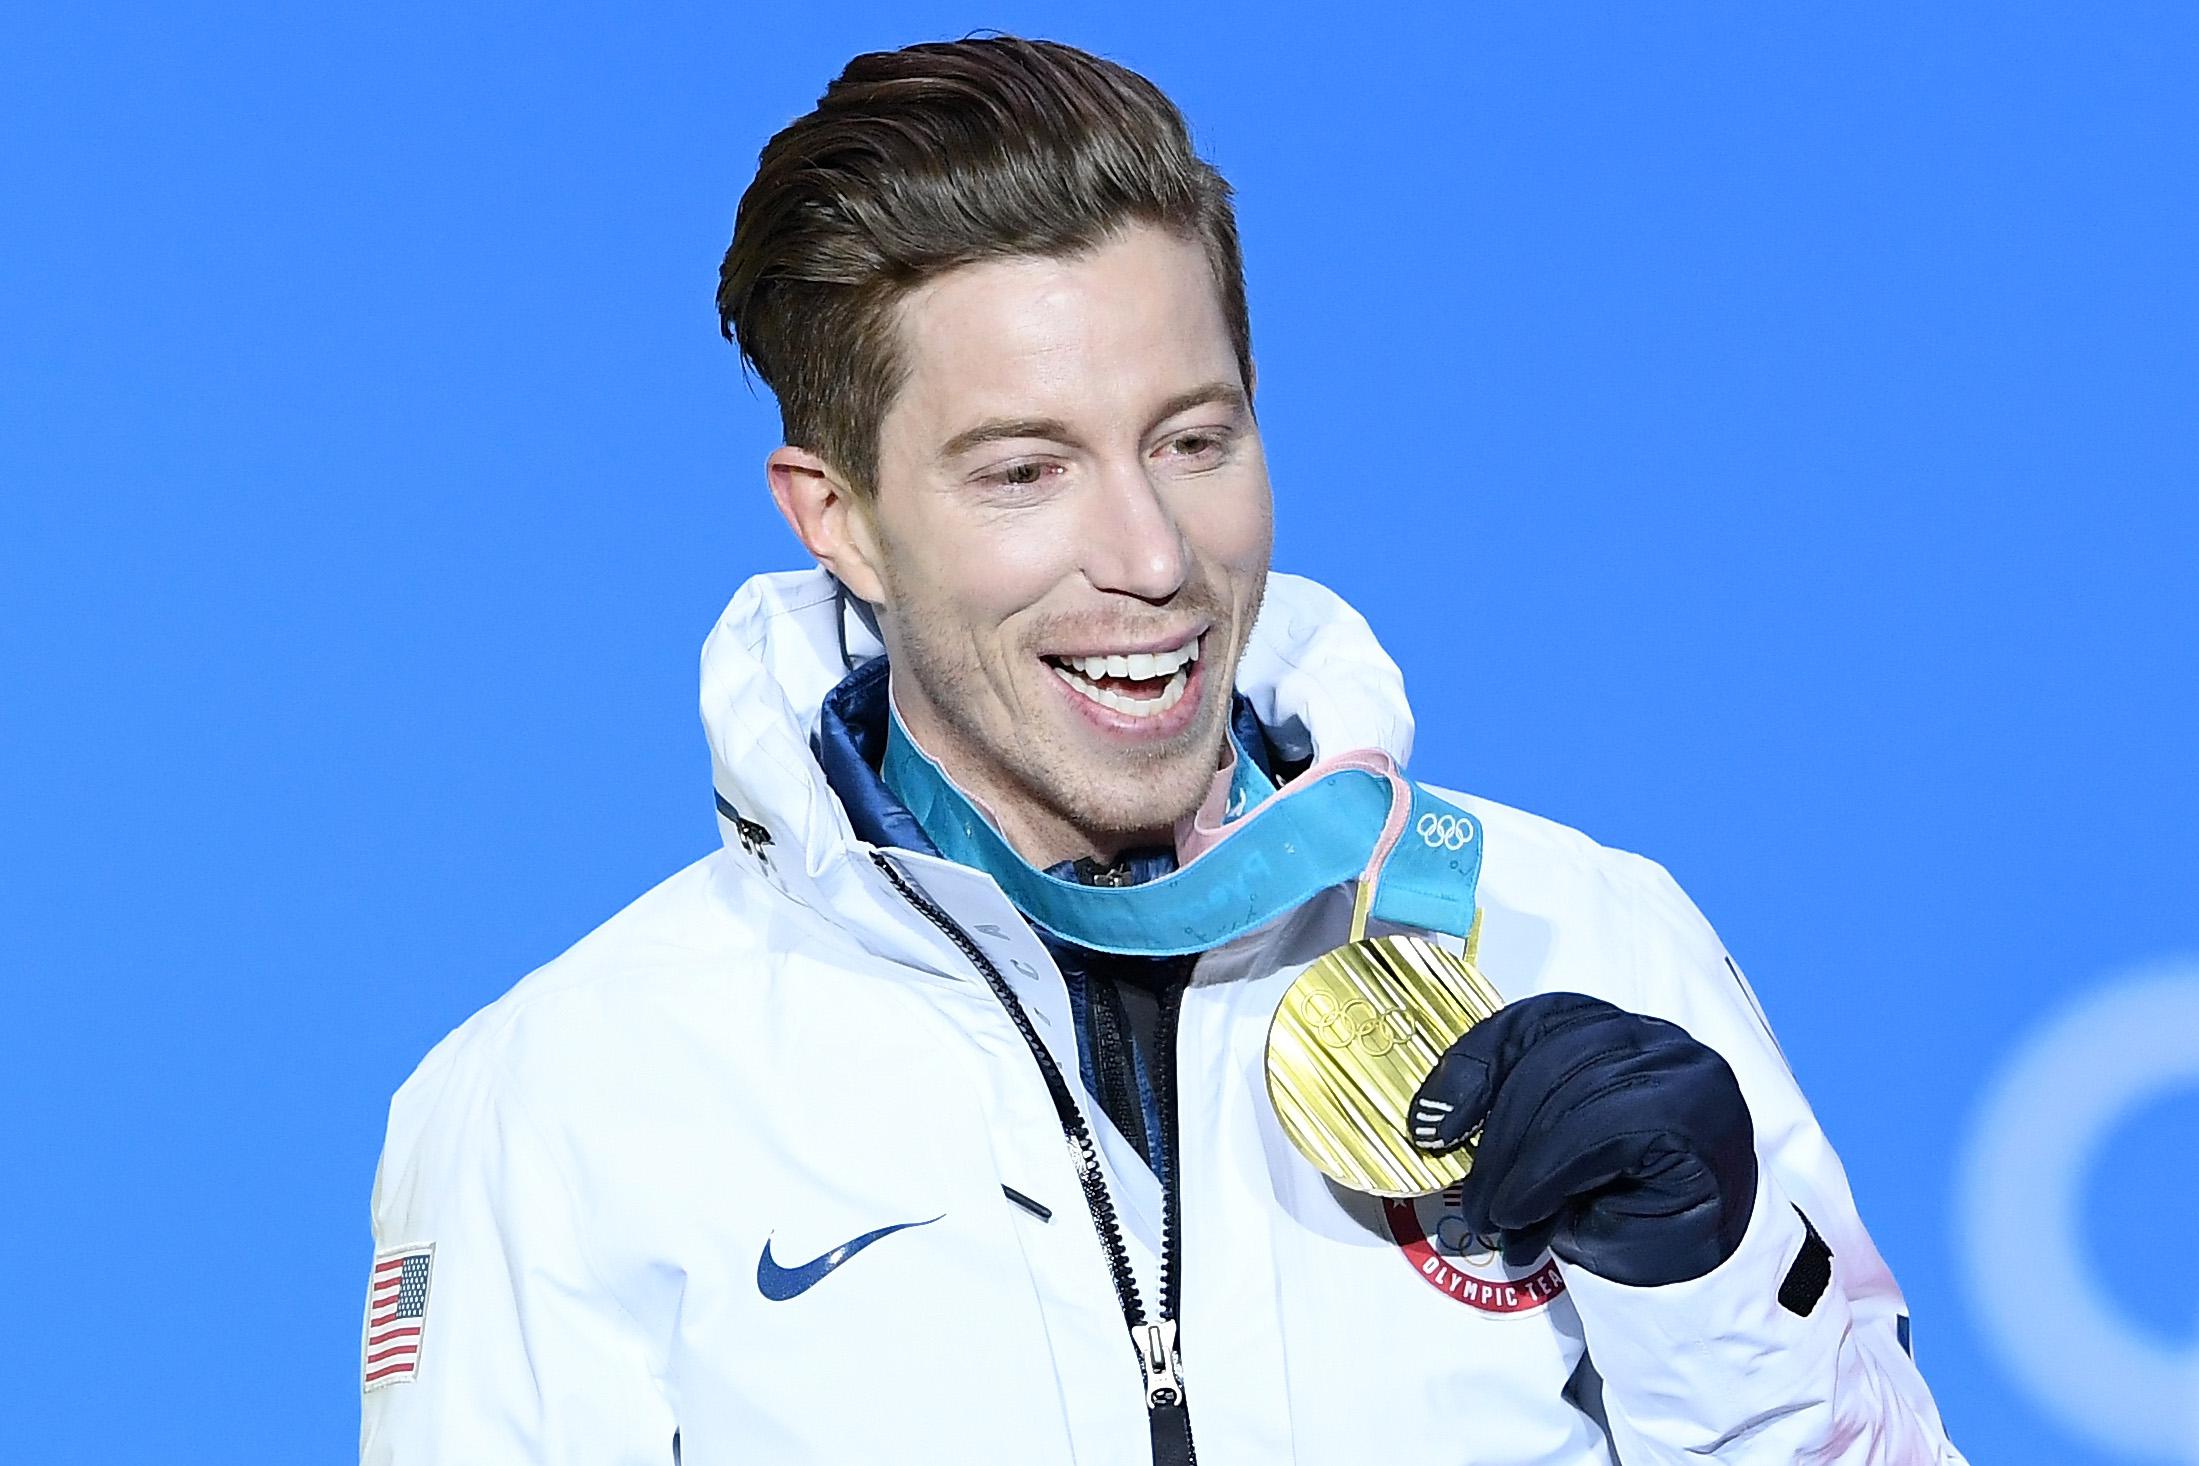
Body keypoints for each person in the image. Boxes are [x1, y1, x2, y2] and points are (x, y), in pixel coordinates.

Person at [361, 35, 1964, 1465]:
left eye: (1194, 439)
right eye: (1022, 471)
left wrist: (1726, 1286)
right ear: (834, 514)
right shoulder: (565, 1098)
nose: (1149, 552)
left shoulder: (1577, 932)